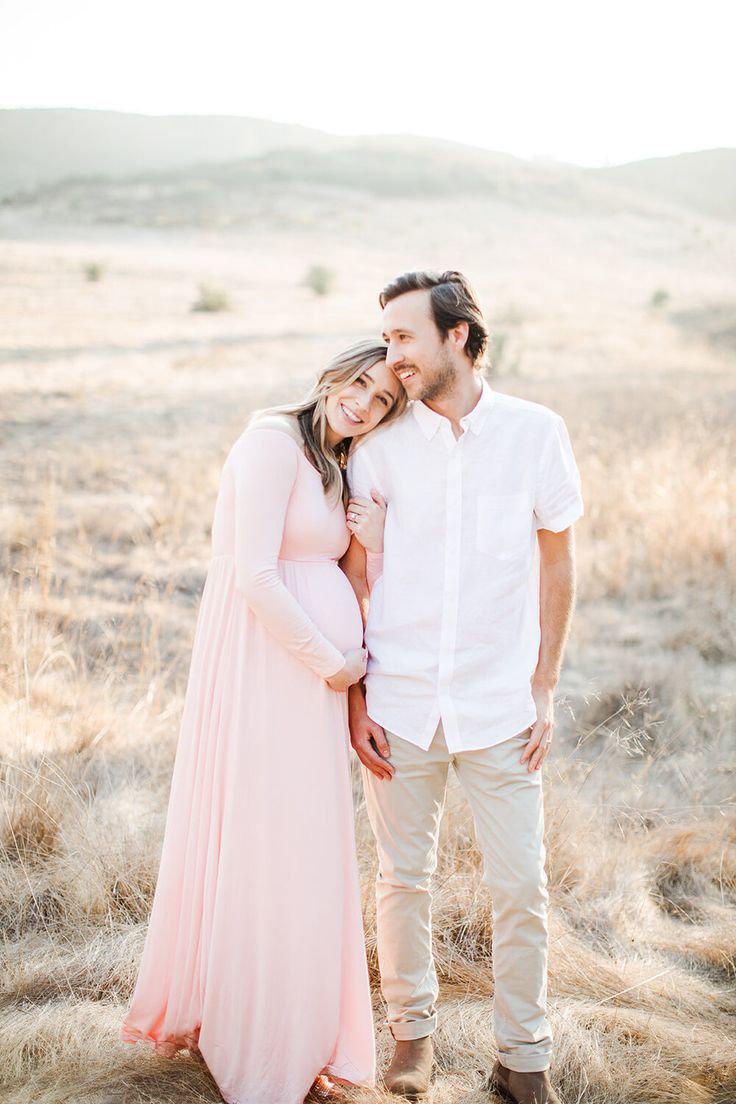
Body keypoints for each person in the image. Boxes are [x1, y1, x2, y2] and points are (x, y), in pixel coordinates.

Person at [120, 340, 406, 1104]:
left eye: (381, 401)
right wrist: (332, 663)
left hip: (311, 681)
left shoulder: (332, 463)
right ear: (332, 376)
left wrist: (371, 551)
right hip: (267, 668)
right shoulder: (272, 442)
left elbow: (342, 571)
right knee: (267, 837)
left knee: (304, 844)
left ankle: (305, 1030)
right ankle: (256, 1043)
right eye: (359, 384)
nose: (364, 403)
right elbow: (253, 573)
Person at [345, 271, 584, 1104]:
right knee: (402, 880)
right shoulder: (376, 449)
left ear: (459, 337)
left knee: (521, 884)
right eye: (386, 340)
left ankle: (524, 1058)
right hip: (400, 703)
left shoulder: (536, 433)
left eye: (405, 337)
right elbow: (352, 582)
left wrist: (545, 685)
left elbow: (558, 559)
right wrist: (355, 700)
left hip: (501, 708)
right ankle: (411, 1038)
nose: (392, 356)